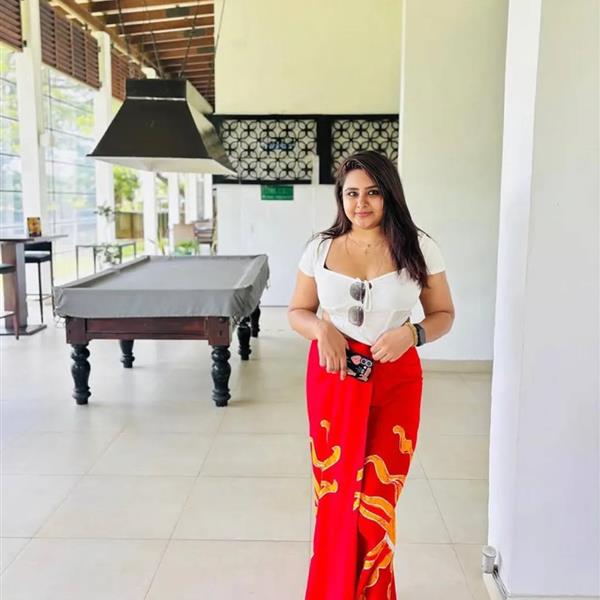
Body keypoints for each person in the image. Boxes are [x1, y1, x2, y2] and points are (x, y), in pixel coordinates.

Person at [287, 150, 455, 599]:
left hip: (396, 379)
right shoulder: (320, 248)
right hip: (334, 377)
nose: (360, 203)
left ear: (389, 194)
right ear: (340, 198)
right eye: (351, 193)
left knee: (375, 509)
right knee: (336, 501)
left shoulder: (419, 246)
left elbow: (443, 314)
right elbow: (297, 310)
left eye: (372, 192)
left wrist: (412, 334)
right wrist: (321, 329)